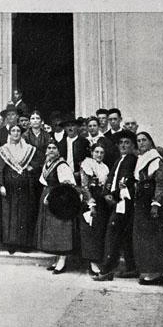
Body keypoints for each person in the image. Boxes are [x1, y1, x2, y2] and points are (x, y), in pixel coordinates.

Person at [94, 135, 139, 281]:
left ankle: (106, 270)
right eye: (121, 143)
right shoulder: (119, 160)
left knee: (112, 233)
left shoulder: (132, 160)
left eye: (127, 143)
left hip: (124, 201)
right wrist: (106, 193)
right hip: (116, 200)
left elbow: (127, 181)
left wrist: (114, 195)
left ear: (132, 146)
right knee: (124, 235)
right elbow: (111, 179)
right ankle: (131, 267)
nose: (123, 145)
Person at [132, 132, 163, 285]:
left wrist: (156, 203)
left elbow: (160, 183)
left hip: (150, 201)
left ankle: (155, 273)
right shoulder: (141, 159)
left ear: (150, 142)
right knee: (142, 237)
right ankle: (147, 271)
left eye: (144, 140)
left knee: (152, 237)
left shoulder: (155, 158)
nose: (141, 143)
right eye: (138, 141)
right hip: (141, 202)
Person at [35, 140, 77, 273]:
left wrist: (51, 195)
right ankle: (57, 259)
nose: (51, 150)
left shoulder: (62, 165)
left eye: (54, 148)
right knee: (52, 229)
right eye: (49, 148)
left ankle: (62, 261)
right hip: (49, 196)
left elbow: (67, 185)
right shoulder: (47, 163)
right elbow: (44, 181)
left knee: (60, 228)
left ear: (59, 151)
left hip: (59, 198)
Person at [0, 124, 38, 252]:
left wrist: (31, 168)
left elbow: (36, 163)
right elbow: (0, 169)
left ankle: (24, 244)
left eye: (18, 131)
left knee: (24, 214)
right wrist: (1, 185)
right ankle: (11, 244)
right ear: (9, 133)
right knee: (10, 214)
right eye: (13, 131)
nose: (15, 133)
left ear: (21, 133)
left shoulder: (28, 148)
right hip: (10, 187)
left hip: (25, 186)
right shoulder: (4, 149)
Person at [78, 144, 110, 276]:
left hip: (101, 200)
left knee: (99, 231)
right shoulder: (87, 164)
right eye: (96, 152)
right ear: (92, 152)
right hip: (90, 199)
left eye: (102, 152)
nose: (99, 155)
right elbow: (84, 186)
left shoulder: (105, 167)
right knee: (90, 231)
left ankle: (97, 261)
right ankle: (91, 263)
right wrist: (91, 204)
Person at [22, 110, 53, 245]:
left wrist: (45, 166)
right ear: (30, 121)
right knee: (30, 203)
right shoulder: (25, 135)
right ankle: (29, 239)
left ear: (41, 121)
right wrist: (28, 165)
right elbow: (22, 152)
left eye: (37, 118)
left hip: (43, 171)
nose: (35, 120)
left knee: (42, 202)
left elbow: (50, 151)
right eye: (33, 118)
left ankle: (41, 239)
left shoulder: (47, 135)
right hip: (29, 171)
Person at [56, 119, 90, 184]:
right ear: (65, 128)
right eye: (68, 126)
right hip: (64, 176)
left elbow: (88, 159)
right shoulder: (61, 144)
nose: (70, 128)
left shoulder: (84, 142)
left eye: (72, 125)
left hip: (79, 176)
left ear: (77, 127)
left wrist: (80, 171)